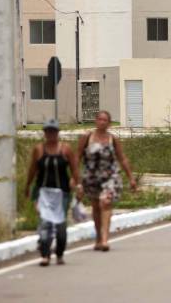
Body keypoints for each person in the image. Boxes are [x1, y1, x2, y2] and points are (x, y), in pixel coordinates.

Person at [78, 110, 137, 252]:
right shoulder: (87, 137)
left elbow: (122, 158)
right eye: (99, 119)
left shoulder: (113, 139)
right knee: (96, 207)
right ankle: (98, 236)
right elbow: (77, 157)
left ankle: (105, 238)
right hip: (91, 177)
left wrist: (131, 178)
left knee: (106, 202)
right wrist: (75, 179)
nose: (102, 122)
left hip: (110, 177)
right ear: (95, 121)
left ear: (109, 123)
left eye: (105, 120)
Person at [25, 119, 80, 267]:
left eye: (53, 131)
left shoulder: (66, 149)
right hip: (43, 192)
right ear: (45, 133)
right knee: (45, 223)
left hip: (62, 193)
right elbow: (32, 170)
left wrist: (78, 185)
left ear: (57, 133)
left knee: (60, 225)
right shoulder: (39, 150)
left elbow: (74, 169)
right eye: (48, 131)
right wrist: (28, 186)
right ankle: (45, 254)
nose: (51, 134)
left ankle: (60, 253)